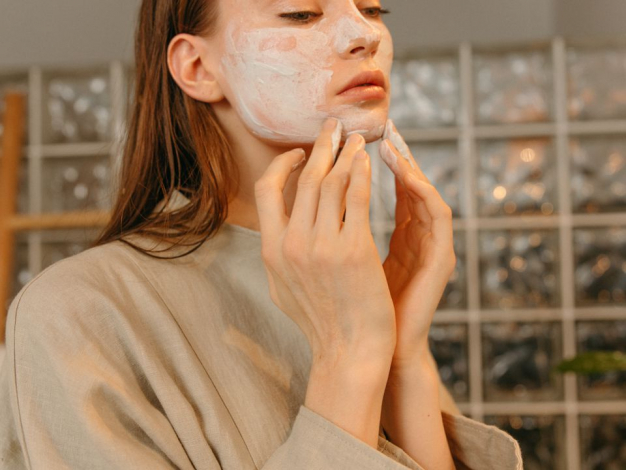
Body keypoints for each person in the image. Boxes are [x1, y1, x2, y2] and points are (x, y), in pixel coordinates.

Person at [0, 0, 523, 468]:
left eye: (371, 8)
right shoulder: (74, 312)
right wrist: (350, 355)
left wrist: (403, 357)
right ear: (197, 67)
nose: (364, 34)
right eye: (302, 13)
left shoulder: (354, 277)